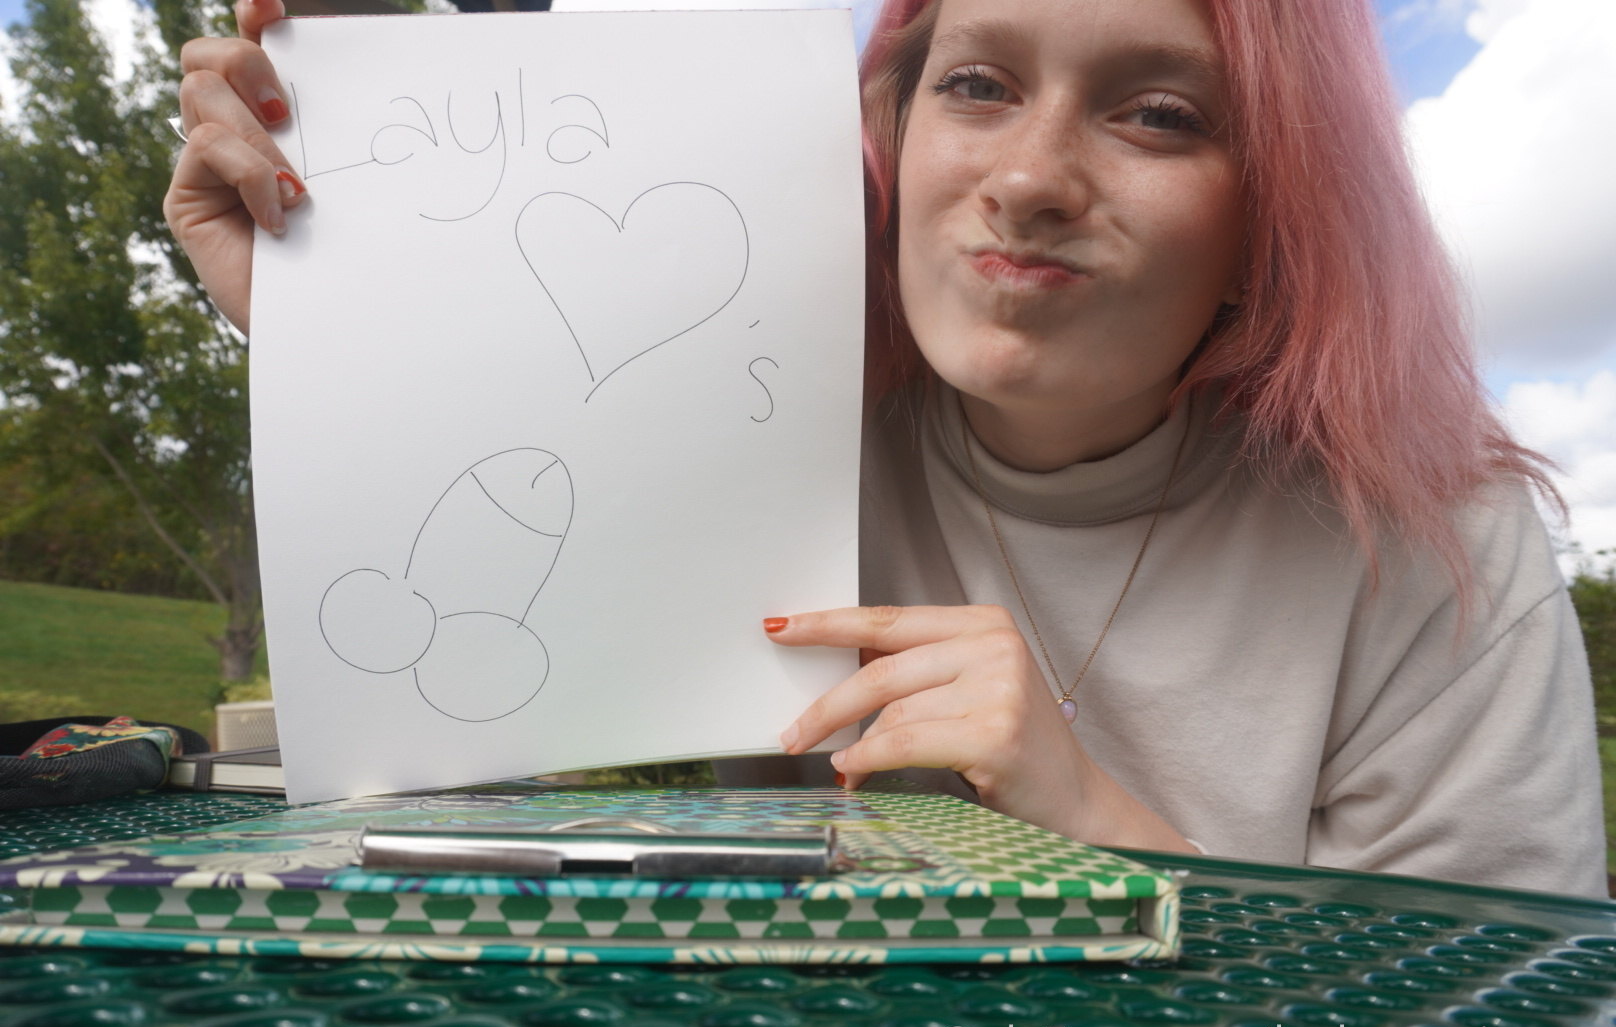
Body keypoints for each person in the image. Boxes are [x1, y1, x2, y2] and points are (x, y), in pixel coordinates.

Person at [165, 0, 1607, 897]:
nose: (1030, 179)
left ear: (1280, 204)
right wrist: (337, 333)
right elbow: (458, 691)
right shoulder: (746, 432)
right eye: (978, 85)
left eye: (1159, 114)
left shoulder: (1438, 547)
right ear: (890, 134)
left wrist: (1088, 828)